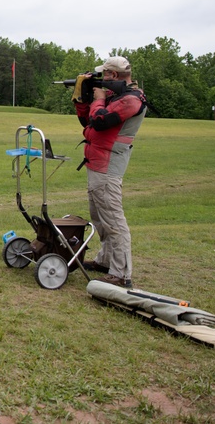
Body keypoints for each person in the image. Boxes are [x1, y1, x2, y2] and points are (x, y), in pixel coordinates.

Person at [74, 56, 147, 288]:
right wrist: (82, 100)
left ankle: (121, 272)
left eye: (104, 75)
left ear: (113, 76)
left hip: (108, 165)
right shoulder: (118, 96)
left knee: (114, 220)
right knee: (100, 218)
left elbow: (100, 121)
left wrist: (98, 99)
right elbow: (87, 121)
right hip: (97, 162)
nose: (102, 79)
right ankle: (105, 261)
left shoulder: (130, 100)